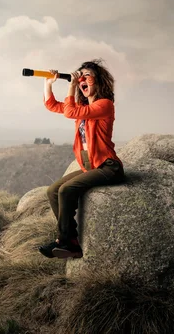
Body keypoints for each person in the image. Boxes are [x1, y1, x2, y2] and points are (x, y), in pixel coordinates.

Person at [39, 59, 125, 259]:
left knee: (67, 190)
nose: (82, 80)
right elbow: (52, 105)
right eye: (80, 77)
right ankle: (72, 241)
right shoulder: (83, 108)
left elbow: (70, 111)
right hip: (91, 167)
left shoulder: (104, 105)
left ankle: (64, 241)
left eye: (87, 76)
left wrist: (70, 86)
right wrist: (48, 83)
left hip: (108, 167)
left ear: (99, 81)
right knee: (53, 191)